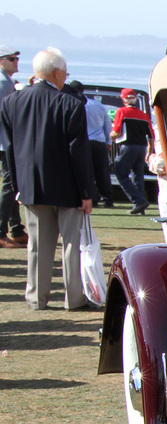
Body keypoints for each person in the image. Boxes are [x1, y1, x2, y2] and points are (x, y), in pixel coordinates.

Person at [0, 48, 96, 310]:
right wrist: (86, 192)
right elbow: (78, 152)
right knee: (70, 246)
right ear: (56, 72)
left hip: (31, 186)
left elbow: (9, 150)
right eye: (65, 72)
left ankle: (36, 298)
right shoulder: (71, 104)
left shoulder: (12, 102)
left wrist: (18, 186)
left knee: (38, 246)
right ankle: (73, 298)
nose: (65, 76)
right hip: (68, 189)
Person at [110, 87, 151, 214]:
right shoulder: (144, 115)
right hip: (142, 148)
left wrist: (110, 135)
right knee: (137, 176)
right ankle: (139, 207)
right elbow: (151, 135)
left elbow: (117, 132)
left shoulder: (121, 112)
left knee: (120, 172)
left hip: (128, 147)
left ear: (123, 99)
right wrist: (149, 151)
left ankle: (138, 201)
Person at [72, 82, 113, 207]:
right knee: (102, 173)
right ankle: (107, 199)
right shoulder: (98, 106)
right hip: (99, 142)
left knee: (87, 172)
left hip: (84, 142)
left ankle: (92, 198)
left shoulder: (74, 105)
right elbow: (107, 125)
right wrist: (108, 141)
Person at [0, 46, 23, 246]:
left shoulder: (6, 81)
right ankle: (1, 231)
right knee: (9, 184)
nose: (15, 62)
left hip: (4, 139)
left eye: (16, 58)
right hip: (4, 141)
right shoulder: (3, 83)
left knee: (12, 183)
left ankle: (16, 228)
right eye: (10, 59)